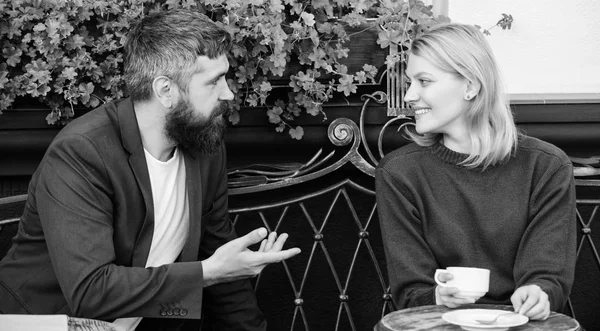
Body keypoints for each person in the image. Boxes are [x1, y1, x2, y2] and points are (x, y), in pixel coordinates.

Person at [0, 9, 301, 331]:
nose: (228, 93)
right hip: (43, 322)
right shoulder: (81, 152)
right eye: (213, 81)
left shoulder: (203, 144)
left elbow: (221, 258)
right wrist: (208, 272)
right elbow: (90, 292)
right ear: (165, 90)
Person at [375, 23, 576, 321]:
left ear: (470, 86)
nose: (409, 96)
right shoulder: (399, 173)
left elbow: (547, 277)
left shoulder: (546, 167)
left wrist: (537, 293)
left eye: (424, 81)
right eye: (410, 82)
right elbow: (410, 291)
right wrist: (437, 297)